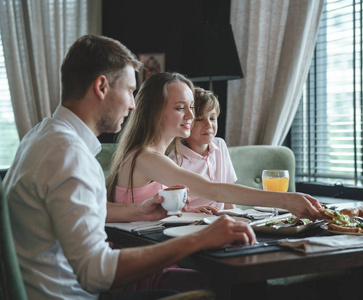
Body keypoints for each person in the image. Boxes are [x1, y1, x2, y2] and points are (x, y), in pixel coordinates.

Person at [4, 35, 256, 300]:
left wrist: (136, 211)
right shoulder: (71, 155)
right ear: (101, 86)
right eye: (128, 90)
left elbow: (71, 210)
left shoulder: (40, 136)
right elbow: (96, 273)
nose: (134, 104)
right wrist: (198, 240)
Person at [106, 72, 323, 220]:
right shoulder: (147, 158)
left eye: (191, 107)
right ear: (155, 112)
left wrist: (188, 212)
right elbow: (213, 189)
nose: (191, 116)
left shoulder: (153, 156)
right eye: (181, 108)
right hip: (146, 262)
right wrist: (286, 200)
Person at [169, 87, 237, 213]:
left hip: (220, 219)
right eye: (199, 119)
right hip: (191, 221)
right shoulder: (175, 161)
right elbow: (172, 209)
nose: (209, 125)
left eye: (212, 118)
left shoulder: (220, 145)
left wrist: (237, 219)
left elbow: (228, 196)